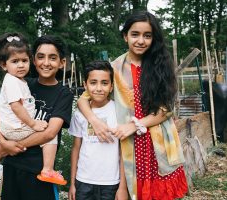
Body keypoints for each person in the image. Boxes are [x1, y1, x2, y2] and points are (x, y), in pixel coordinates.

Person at [77, 11, 188, 200]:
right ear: (125, 36)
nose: (141, 41)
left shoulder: (161, 65)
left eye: (147, 35)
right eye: (135, 34)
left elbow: (166, 109)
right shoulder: (114, 68)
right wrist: (93, 120)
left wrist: (134, 125)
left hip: (156, 143)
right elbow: (83, 99)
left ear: (154, 38)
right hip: (128, 146)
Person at [0, 32, 68, 188]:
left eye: (52, 57)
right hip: (12, 165)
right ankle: (49, 169)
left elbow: (50, 133)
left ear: (61, 62)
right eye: (41, 57)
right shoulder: (22, 82)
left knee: (49, 133)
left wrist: (10, 146)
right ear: (34, 60)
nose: (46, 63)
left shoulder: (63, 93)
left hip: (34, 171)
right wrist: (4, 143)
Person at [68, 61, 128, 200]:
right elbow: (76, 148)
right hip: (83, 181)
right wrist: (72, 184)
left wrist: (122, 187)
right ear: (85, 85)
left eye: (105, 83)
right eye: (93, 82)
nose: (99, 88)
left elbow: (124, 151)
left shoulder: (119, 112)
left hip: (111, 183)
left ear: (112, 86)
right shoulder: (80, 113)